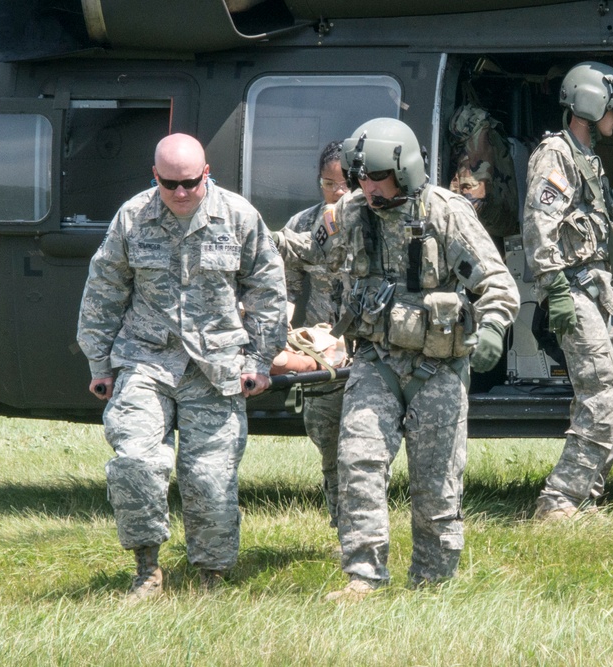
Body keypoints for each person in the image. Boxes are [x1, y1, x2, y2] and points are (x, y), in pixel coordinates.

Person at [291, 117, 520, 601]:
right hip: (376, 361)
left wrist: (494, 328)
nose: (369, 189)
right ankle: (364, 576)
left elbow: (497, 284)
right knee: (358, 462)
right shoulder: (352, 213)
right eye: (362, 179)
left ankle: (432, 581)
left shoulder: (446, 214)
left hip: (438, 368)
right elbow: (306, 250)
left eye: (378, 178)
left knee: (435, 484)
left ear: (407, 170)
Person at [76, 133, 288, 599]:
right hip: (145, 360)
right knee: (135, 462)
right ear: (155, 176)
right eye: (170, 183)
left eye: (191, 182)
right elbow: (103, 290)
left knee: (209, 478)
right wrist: (99, 363)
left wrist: (259, 360)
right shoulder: (133, 217)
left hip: (214, 367)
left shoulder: (238, 216)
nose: (182, 192)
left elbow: (268, 292)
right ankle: (147, 569)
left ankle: (210, 577)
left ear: (206, 173)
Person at [522, 62, 613, 521]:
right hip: (573, 291)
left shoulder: (586, 157)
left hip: (601, 291)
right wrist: (554, 291)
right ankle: (560, 501)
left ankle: (585, 497)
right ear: (592, 104)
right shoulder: (555, 155)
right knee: (602, 394)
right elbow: (539, 228)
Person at [271, 140, 348, 529]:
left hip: (368, 352)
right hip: (323, 356)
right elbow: (284, 288)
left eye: (346, 183)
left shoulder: (376, 223)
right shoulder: (303, 226)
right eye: (328, 183)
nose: (338, 193)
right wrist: (280, 337)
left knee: (364, 445)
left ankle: (360, 521)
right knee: (329, 442)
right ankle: (341, 517)